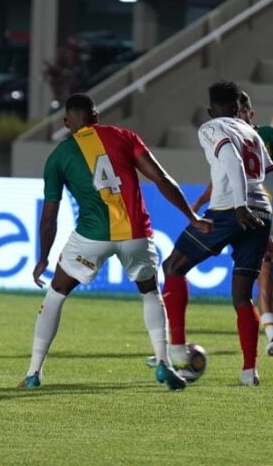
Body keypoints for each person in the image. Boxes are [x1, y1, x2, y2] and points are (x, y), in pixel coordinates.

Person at [19, 93, 212, 390]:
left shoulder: (59, 155)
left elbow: (49, 218)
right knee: (150, 293)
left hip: (91, 237)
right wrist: (191, 216)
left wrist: (43, 257)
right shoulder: (125, 137)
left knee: (56, 293)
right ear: (96, 116)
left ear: (66, 122)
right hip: (136, 234)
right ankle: (163, 362)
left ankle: (33, 372)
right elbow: (161, 178)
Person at [160, 80, 273, 387]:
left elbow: (230, 159)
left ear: (212, 109)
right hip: (261, 216)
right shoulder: (253, 134)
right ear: (237, 106)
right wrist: (268, 231)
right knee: (242, 297)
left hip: (231, 211)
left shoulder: (211, 127)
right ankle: (249, 371)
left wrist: (240, 206)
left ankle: (176, 349)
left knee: (173, 266)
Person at [192, 91, 273, 356]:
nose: (240, 115)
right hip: (257, 217)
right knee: (264, 278)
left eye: (244, 111)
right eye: (237, 110)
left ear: (251, 114)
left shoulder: (269, 136)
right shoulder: (229, 139)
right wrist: (200, 200)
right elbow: (223, 176)